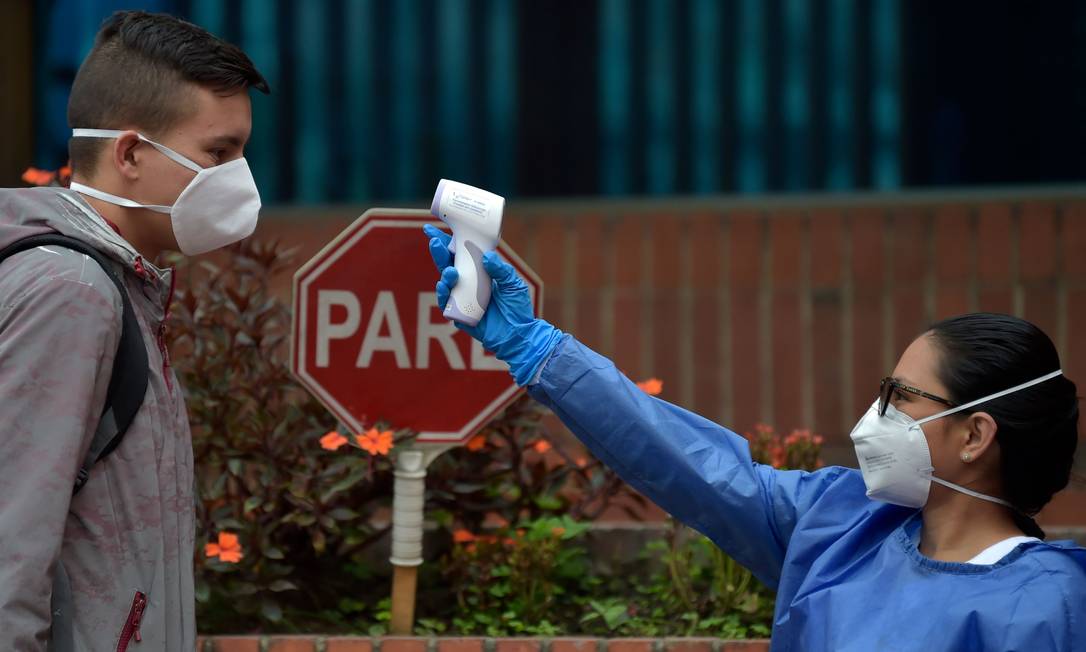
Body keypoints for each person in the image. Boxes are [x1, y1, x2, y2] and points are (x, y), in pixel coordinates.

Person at [423, 224, 1086, 651]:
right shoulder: (842, 525)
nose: (875, 416)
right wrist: (539, 349)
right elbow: (687, 462)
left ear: (975, 435)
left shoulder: (1046, 608)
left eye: (901, 398)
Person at [0, 11, 267, 650]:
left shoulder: (122, 287)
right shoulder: (74, 294)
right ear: (129, 154)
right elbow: (11, 538)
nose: (239, 179)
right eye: (218, 153)